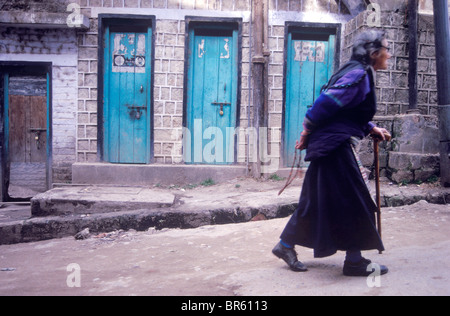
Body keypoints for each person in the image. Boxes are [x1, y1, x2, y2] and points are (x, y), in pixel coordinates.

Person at [272, 30, 392, 277]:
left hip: (329, 144)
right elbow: (323, 106)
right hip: (332, 145)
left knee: (315, 200)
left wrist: (371, 128)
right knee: (356, 197)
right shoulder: (359, 74)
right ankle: (355, 260)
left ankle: (284, 245)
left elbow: (347, 111)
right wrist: (306, 132)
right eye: (386, 49)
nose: (389, 54)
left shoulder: (358, 72)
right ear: (374, 53)